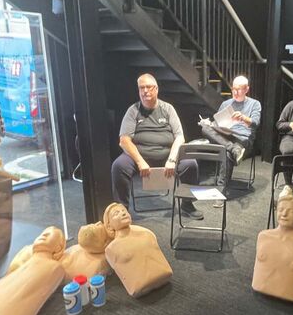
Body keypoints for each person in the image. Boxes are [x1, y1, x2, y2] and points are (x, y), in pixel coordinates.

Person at [111, 73, 202, 219]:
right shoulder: (133, 110)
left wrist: (172, 159)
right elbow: (124, 140)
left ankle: (187, 204)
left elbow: (180, 137)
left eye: (149, 87)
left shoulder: (168, 109)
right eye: (142, 88)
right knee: (118, 166)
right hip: (140, 156)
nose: (145, 91)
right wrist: (140, 162)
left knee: (190, 164)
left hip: (167, 155)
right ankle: (122, 212)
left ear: (156, 89)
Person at [200, 75, 261, 195]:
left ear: (246, 89)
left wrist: (243, 118)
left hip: (242, 139)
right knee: (205, 128)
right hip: (226, 136)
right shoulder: (226, 104)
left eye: (239, 89)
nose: (235, 92)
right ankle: (233, 149)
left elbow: (255, 123)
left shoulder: (254, 104)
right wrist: (209, 123)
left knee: (226, 153)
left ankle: (220, 191)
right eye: (233, 89)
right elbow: (217, 123)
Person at [102, 202, 173, 297]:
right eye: (116, 213)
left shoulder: (147, 233)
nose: (123, 213)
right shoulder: (112, 249)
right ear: (109, 225)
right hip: (139, 288)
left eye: (124, 211)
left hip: (164, 275)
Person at [251, 196, 293, 302]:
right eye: (280, 210)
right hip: (259, 288)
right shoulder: (263, 236)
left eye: (291, 211)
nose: (284, 214)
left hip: (291, 297)